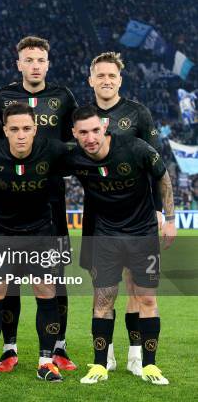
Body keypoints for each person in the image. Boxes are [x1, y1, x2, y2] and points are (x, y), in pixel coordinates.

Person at [65, 105, 175, 386]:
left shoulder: (135, 148)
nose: (90, 138)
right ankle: (100, 365)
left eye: (94, 130)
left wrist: (170, 219)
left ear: (104, 127)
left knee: (148, 299)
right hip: (106, 236)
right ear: (74, 134)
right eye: (83, 133)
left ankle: (150, 366)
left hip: (143, 235)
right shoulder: (74, 157)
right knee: (103, 300)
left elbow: (163, 176)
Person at [0, 36, 78, 371]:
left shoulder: (63, 97)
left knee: (56, 277)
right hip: (9, 201)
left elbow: (75, 143)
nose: (35, 65)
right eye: (29, 59)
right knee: (8, 277)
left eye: (40, 59)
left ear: (48, 63)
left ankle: (59, 348)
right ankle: (9, 349)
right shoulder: (2, 97)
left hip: (52, 200)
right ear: (19, 64)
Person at [0, 103, 68, 382]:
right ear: (5, 130)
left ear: (35, 129)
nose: (21, 135)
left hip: (40, 233)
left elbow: (89, 158)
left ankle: (46, 362)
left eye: (27, 128)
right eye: (14, 129)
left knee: (46, 293)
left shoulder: (54, 150)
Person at [87, 51, 163, 374]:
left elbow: (155, 166)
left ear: (120, 79)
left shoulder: (138, 114)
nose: (106, 80)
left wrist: (160, 210)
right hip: (97, 215)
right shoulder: (81, 115)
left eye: (112, 76)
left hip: (136, 218)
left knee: (136, 286)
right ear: (91, 80)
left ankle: (136, 352)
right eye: (100, 75)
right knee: (101, 289)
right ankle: (108, 353)